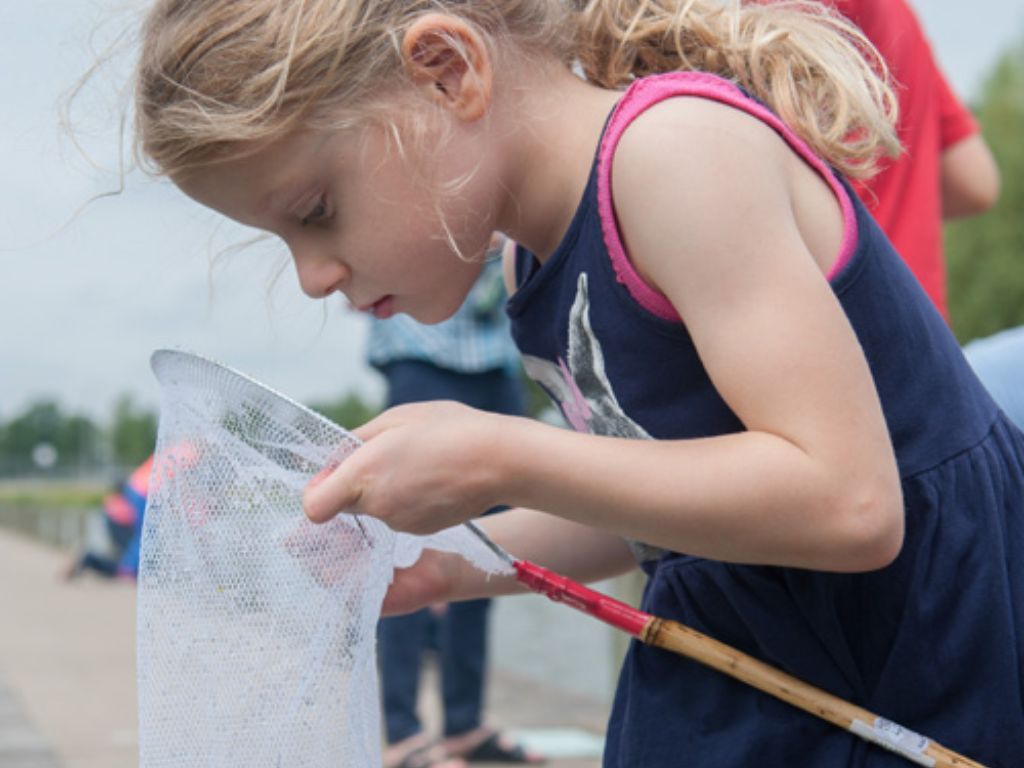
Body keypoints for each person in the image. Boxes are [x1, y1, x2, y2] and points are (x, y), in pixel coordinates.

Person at [131, 2, 1024, 766]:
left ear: (447, 72)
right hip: (754, 651)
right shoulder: (532, 264)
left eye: (316, 212)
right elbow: (652, 497)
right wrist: (441, 565)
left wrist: (505, 454)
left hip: (912, 656)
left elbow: (849, 504)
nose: (314, 278)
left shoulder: (675, 155)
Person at [366, 244, 541, 768]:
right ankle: (404, 735)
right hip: (420, 350)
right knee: (402, 555)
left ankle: (463, 724)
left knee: (491, 552)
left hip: (497, 355)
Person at [830, 0, 1001, 321]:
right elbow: (976, 181)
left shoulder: (733, 17)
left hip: (833, 336)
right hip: (925, 340)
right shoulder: (894, 10)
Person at [65, 454, 153, 580]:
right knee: (128, 569)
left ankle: (89, 559)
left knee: (127, 565)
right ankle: (89, 559)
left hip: (116, 518)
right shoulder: (135, 491)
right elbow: (139, 533)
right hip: (123, 521)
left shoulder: (121, 495)